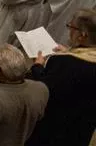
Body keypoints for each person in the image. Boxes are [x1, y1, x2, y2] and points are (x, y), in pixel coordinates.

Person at [27, 9, 96, 146]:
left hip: (55, 127)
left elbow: (44, 89)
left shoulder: (64, 63)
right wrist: (70, 51)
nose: (69, 30)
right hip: (82, 127)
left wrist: (37, 66)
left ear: (82, 35)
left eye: (71, 27)